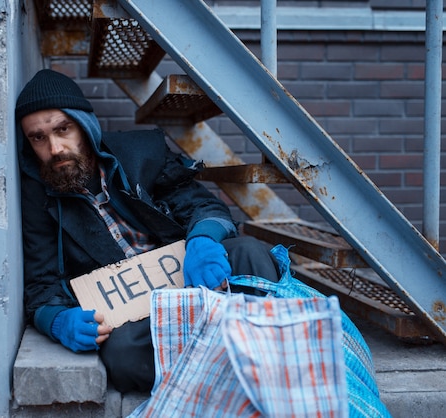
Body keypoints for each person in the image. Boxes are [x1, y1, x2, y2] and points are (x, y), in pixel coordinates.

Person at [15, 69, 280, 393]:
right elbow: (41, 282)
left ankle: (267, 368)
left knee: (251, 253)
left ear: (84, 126)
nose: (54, 148)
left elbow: (202, 205)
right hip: (141, 317)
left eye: (63, 129)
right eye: (38, 138)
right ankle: (232, 374)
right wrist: (55, 321)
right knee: (122, 355)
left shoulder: (142, 152)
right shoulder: (37, 196)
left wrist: (203, 239)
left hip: (194, 280)